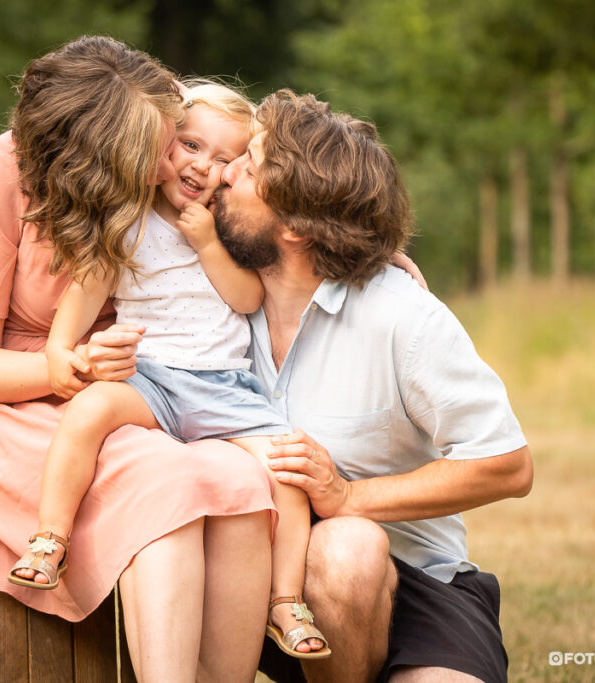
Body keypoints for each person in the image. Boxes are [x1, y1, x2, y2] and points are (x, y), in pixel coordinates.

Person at [0, 37, 277, 682]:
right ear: (99, 152)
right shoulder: (5, 171)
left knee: (241, 483)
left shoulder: (181, 167)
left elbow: (267, 190)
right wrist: (75, 366)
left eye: (173, 135)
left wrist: (366, 258)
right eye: (158, 148)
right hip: (32, 400)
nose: (175, 161)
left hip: (160, 389)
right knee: (165, 479)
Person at [211, 90, 534, 683]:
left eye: (248, 166)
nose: (223, 171)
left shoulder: (402, 316)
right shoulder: (202, 289)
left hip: (411, 578)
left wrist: (349, 498)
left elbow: (507, 465)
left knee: (350, 546)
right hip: (250, 577)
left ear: (298, 231)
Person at [7, 81, 330, 659]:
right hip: (150, 378)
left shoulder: (229, 225)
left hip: (223, 388)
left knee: (288, 467)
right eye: (190, 145)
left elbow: (248, 299)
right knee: (87, 411)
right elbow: (86, 291)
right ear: (162, 147)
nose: (203, 166)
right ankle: (48, 539)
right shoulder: (128, 219)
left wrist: (208, 245)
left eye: (226, 159)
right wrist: (60, 347)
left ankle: (285, 602)